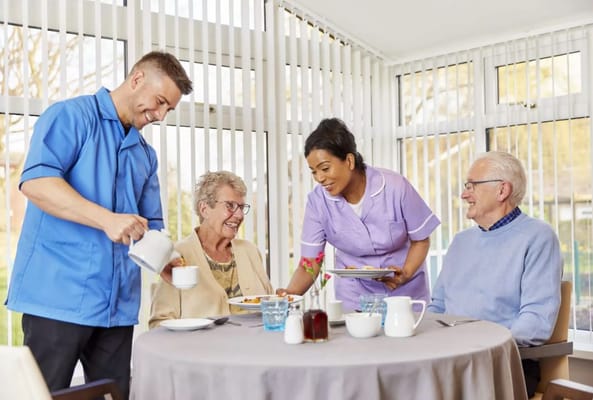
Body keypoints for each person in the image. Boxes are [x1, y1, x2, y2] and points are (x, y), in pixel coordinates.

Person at [5, 51, 193, 397]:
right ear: (137, 79)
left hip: (116, 307)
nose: (161, 115)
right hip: (58, 298)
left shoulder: (144, 154)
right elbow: (36, 183)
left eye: (169, 109)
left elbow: (150, 225)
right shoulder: (70, 117)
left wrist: (162, 258)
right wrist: (106, 219)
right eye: (160, 102)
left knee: (114, 396)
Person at [427, 151, 562, 397]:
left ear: (502, 190)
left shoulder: (538, 237)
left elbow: (535, 324)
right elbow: (437, 307)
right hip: (448, 358)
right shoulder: (460, 242)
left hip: (503, 364)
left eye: (472, 186)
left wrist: (477, 347)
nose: (464, 194)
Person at [277, 118, 440, 311]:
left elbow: (420, 240)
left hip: (404, 290)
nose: (320, 178)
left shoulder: (395, 187)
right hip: (355, 294)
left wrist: (406, 273)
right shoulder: (318, 202)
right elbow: (309, 264)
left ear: (349, 160)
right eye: (313, 172)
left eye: (325, 168)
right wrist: (289, 295)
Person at [150, 171, 273, 328]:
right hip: (200, 350)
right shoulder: (178, 255)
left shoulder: (250, 251)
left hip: (254, 348)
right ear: (204, 209)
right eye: (230, 206)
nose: (239, 215)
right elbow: (159, 322)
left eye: (242, 207)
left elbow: (273, 307)